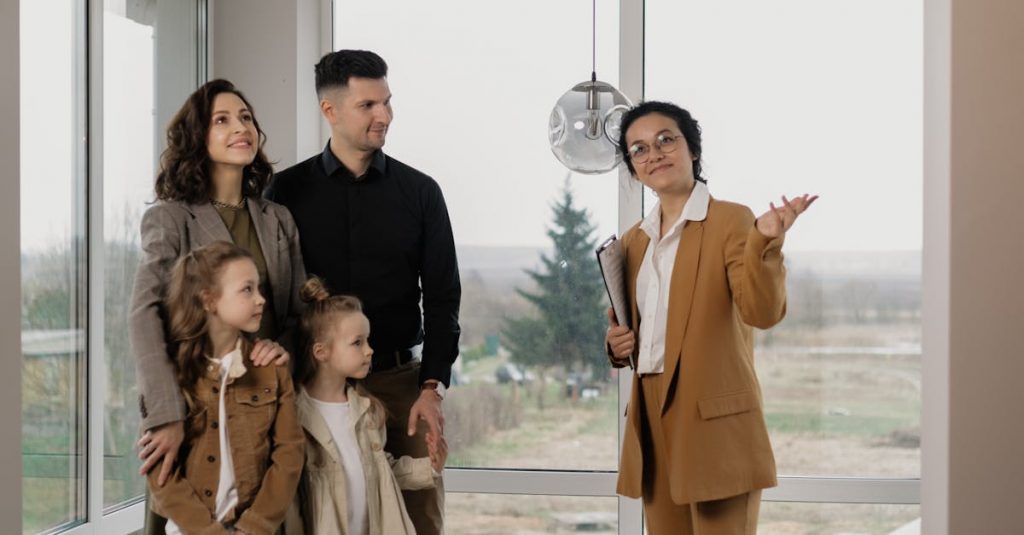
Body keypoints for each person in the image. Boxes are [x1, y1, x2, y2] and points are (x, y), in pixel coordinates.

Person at [266, 49, 460, 534]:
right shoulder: (284, 194)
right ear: (329, 111)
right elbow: (272, 295)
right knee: (318, 519)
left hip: (401, 387)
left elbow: (442, 299)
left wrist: (431, 387)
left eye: (387, 102)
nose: (385, 116)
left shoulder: (421, 193)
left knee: (419, 518)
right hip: (311, 387)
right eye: (369, 105)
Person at [605, 101, 817, 534]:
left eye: (666, 140)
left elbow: (761, 312)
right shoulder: (633, 241)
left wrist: (766, 244)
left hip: (714, 424)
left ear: (693, 150)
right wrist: (615, 344)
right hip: (650, 420)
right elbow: (631, 332)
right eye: (639, 149)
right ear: (632, 167)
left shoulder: (731, 220)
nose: (654, 154)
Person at [130, 79, 307, 533]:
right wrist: (165, 413)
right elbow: (144, 312)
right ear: (198, 138)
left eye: (246, 117)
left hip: (264, 400)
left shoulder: (277, 219)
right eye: (222, 120)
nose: (240, 127)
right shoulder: (171, 217)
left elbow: (296, 312)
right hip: (194, 403)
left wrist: (281, 349)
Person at [148, 241, 303, 534]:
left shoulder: (273, 369)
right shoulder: (169, 376)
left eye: (259, 289)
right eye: (247, 289)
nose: (261, 300)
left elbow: (290, 454)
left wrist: (255, 526)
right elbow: (159, 470)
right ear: (208, 300)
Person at [285, 277, 447, 535]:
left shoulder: (368, 411)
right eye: (357, 342)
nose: (370, 350)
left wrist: (429, 468)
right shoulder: (295, 417)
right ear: (321, 352)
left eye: (368, 341)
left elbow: (383, 470)